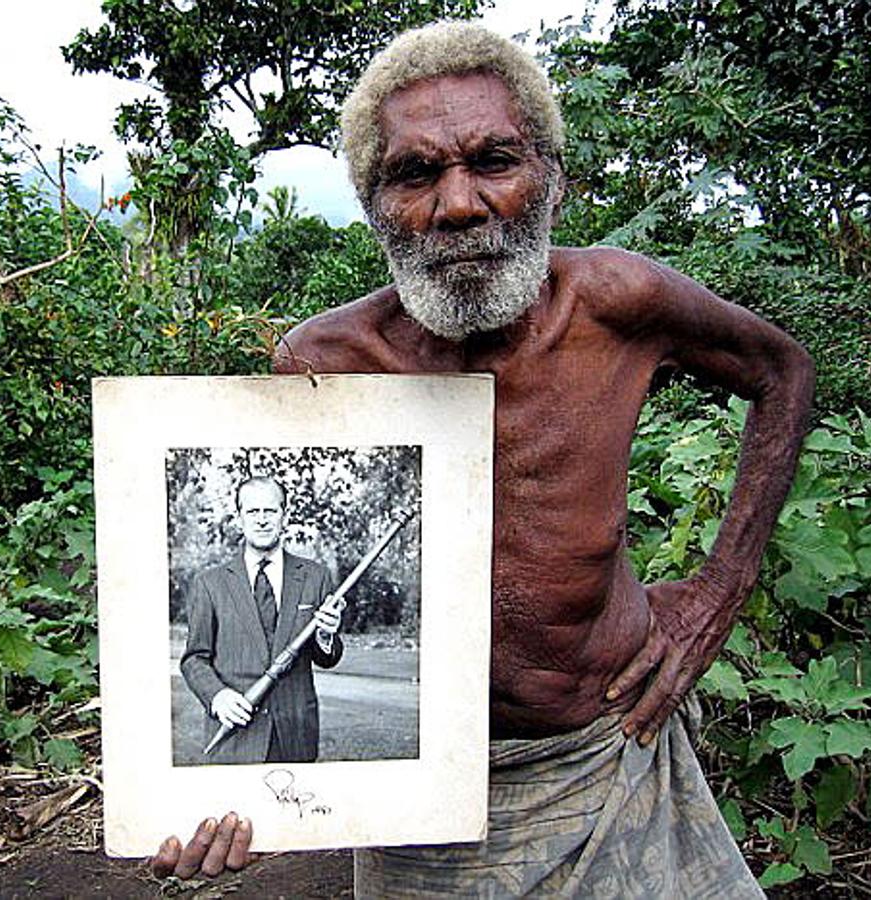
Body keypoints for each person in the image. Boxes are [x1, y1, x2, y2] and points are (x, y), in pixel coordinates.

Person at [153, 22, 814, 896]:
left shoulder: (618, 303)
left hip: (610, 750)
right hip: (420, 802)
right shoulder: (327, 363)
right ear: (373, 205)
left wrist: (720, 588)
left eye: (494, 161)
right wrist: (239, 803)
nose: (459, 204)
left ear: (553, 179)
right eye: (416, 172)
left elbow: (782, 370)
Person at [179, 475, 343, 765]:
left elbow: (326, 658)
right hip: (235, 739)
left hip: (295, 737)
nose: (262, 520)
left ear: (285, 516)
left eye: (271, 510)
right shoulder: (210, 583)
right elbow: (194, 659)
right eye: (253, 511)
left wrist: (326, 637)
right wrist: (217, 697)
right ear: (239, 518)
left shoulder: (315, 576)